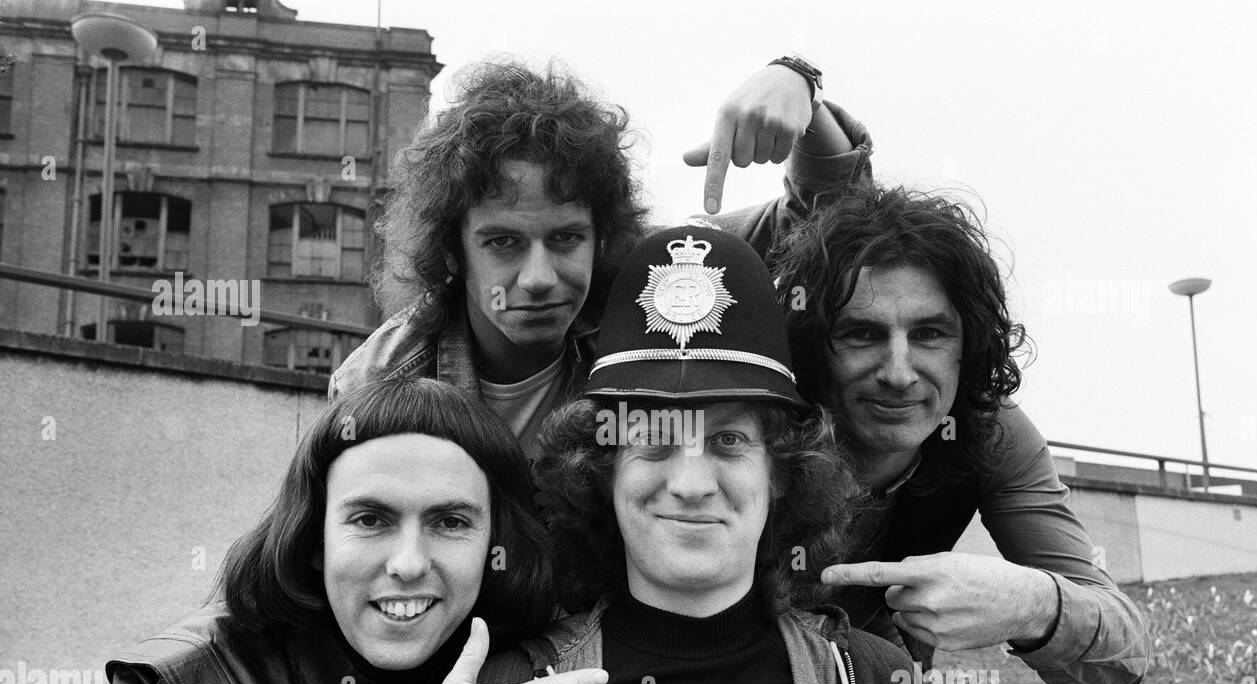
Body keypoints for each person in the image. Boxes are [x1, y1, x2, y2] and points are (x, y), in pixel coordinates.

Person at [435, 226, 1014, 684]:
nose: (689, 483)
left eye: (728, 441)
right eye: (654, 439)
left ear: (781, 472)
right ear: (601, 473)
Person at [94, 378, 606, 684]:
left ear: (497, 544)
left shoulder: (524, 664)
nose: (408, 563)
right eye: (370, 520)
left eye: (450, 522)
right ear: (313, 537)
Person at [328, 56, 872, 455]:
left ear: (602, 236)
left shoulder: (643, 283)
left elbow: (825, 223)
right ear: (452, 251)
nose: (539, 279)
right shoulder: (378, 384)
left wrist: (799, 83)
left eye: (565, 238)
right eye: (503, 242)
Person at [770, 185, 1149, 684]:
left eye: (929, 334)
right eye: (861, 334)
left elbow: (1126, 658)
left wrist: (1033, 605)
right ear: (811, 347)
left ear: (969, 347)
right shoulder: (758, 424)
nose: (899, 374)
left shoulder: (993, 434)